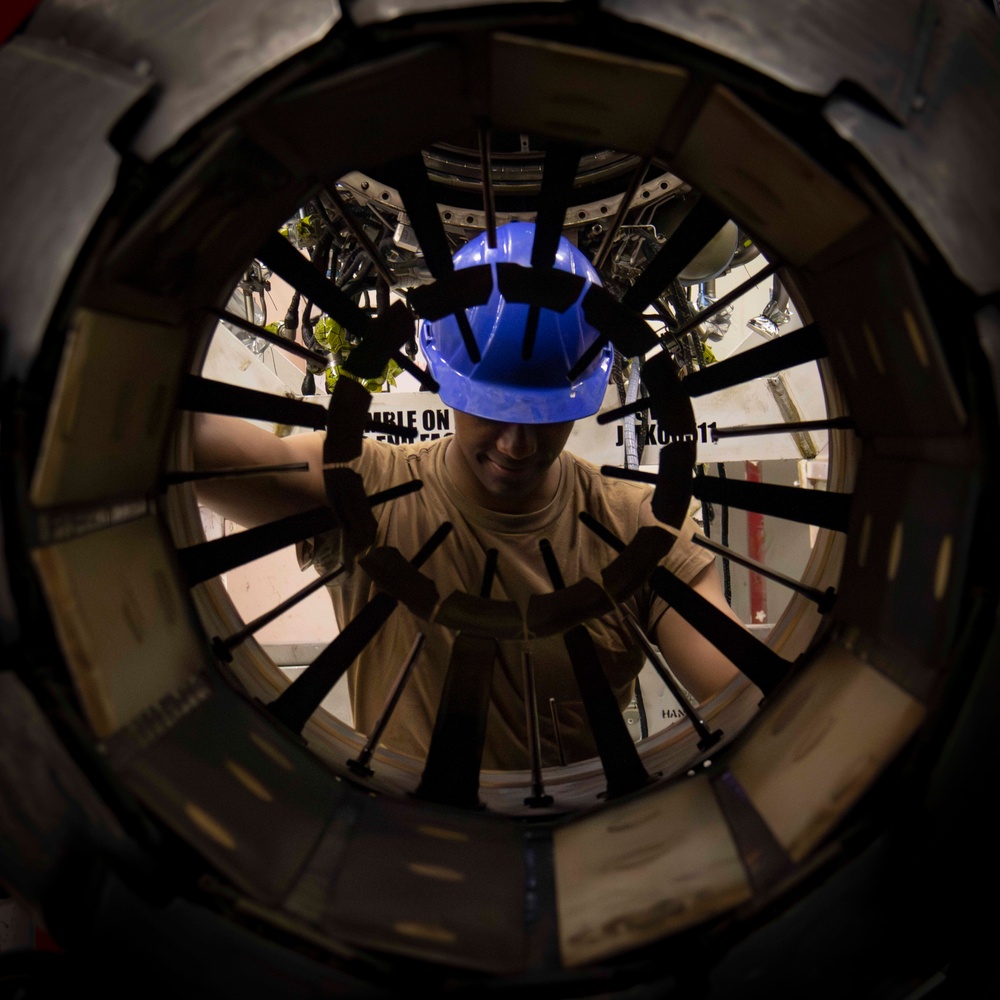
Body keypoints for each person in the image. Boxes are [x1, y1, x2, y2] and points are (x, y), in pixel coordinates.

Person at [194, 223, 743, 770]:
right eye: (492, 409)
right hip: (409, 841)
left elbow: (755, 696)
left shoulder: (636, 528)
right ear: (445, 381)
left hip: (575, 849)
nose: (517, 444)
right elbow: (191, 448)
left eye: (545, 414)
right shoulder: (365, 485)